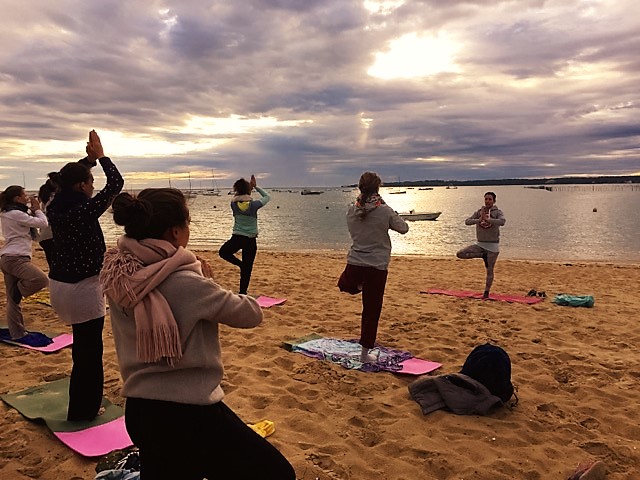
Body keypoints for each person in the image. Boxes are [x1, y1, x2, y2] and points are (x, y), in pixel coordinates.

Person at [100, 188, 296, 480]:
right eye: (189, 223)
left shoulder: (119, 275)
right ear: (176, 232)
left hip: (141, 412)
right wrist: (205, 280)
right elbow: (250, 314)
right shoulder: (187, 282)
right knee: (277, 473)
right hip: (188, 414)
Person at [47, 130, 124, 421]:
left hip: (60, 285)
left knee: (83, 351)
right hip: (83, 289)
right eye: (90, 183)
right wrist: (102, 157)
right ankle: (84, 411)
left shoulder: (54, 204)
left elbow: (66, 181)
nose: (94, 188)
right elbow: (116, 184)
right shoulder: (84, 209)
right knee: (89, 355)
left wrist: (88, 162)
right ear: (81, 186)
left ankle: (81, 404)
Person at [337, 172, 409, 363]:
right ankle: (364, 355)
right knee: (371, 310)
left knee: (345, 285)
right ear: (378, 188)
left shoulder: (352, 210)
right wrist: (387, 209)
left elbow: (356, 228)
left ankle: (359, 285)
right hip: (376, 266)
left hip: (355, 262)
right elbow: (404, 228)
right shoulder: (384, 210)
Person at [0, 185, 51, 346]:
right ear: (17, 199)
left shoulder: (9, 213)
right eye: (24, 195)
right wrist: (37, 209)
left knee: (13, 301)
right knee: (41, 279)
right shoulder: (15, 214)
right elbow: (43, 223)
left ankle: (17, 333)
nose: (27, 197)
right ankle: (19, 291)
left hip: (8, 257)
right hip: (16, 258)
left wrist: (31, 209)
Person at [218, 174, 270, 294]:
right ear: (248, 191)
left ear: (236, 190)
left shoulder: (234, 205)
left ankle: (240, 265)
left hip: (237, 238)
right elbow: (267, 197)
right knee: (247, 268)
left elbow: (240, 198)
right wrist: (255, 187)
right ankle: (243, 292)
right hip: (250, 240)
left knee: (223, 252)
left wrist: (248, 188)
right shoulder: (254, 205)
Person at [456, 191, 506, 298]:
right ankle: (482, 255)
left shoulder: (497, 212)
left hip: (492, 248)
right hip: (480, 245)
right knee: (460, 254)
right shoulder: (479, 212)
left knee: (489, 271)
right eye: (486, 199)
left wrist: (489, 220)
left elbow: (502, 222)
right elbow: (467, 221)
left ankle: (486, 292)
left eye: (490, 199)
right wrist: (479, 220)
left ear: (494, 201)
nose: (487, 201)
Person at [36, 172, 62, 267]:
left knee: (53, 266)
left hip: (44, 236)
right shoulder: (56, 199)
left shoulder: (44, 200)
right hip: (53, 236)